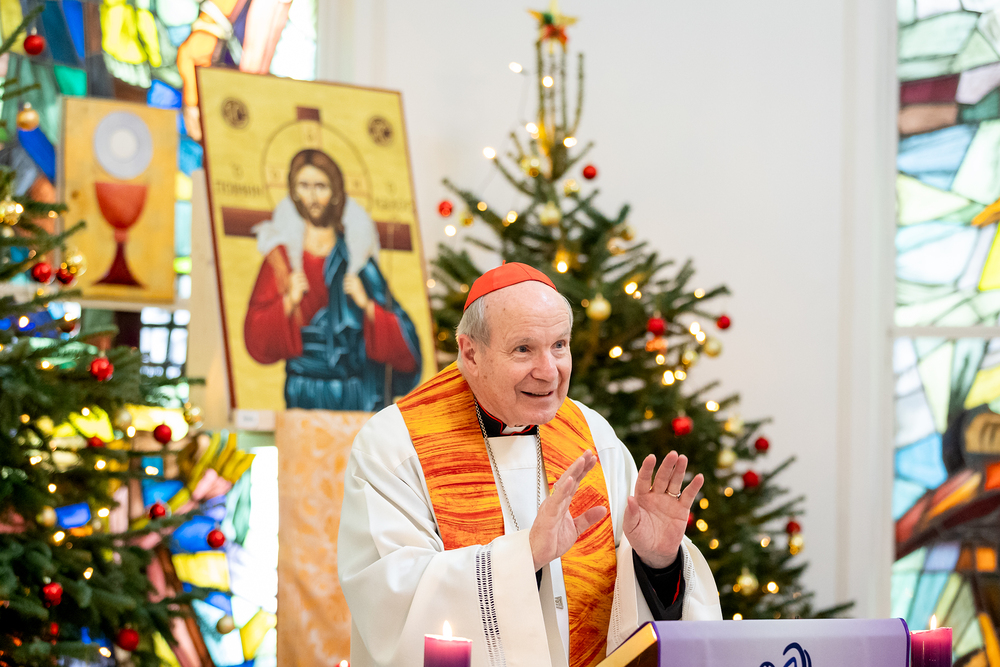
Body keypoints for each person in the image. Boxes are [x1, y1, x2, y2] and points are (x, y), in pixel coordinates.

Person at [338, 263, 721, 667]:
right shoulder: (396, 443)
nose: (548, 371)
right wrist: (524, 558)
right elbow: (392, 600)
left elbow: (634, 614)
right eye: (523, 349)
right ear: (471, 353)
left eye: (559, 345)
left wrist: (658, 562)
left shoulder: (592, 435)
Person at [243, 149, 421, 410]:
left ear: (336, 193)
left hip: (354, 393)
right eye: (304, 186)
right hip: (304, 391)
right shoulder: (280, 261)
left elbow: (407, 349)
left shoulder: (357, 258)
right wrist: (288, 302)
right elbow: (256, 337)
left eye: (321, 186)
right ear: (293, 192)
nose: (312, 197)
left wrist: (367, 306)